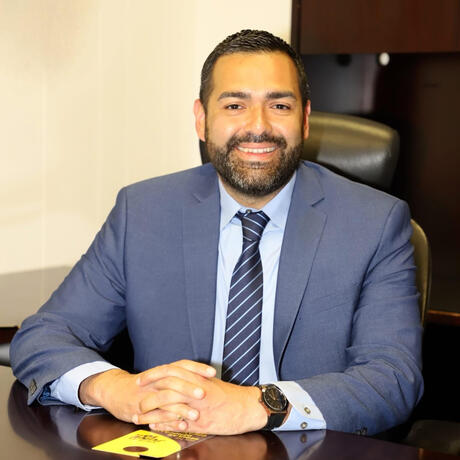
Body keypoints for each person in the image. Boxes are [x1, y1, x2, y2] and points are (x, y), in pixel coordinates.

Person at [10, 29, 423, 437]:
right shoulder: (144, 212)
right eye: (234, 105)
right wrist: (117, 389)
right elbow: (44, 335)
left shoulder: (374, 222)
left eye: (279, 105)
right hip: (177, 443)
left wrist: (257, 405)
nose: (258, 126)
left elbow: (393, 378)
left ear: (305, 119)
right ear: (201, 119)